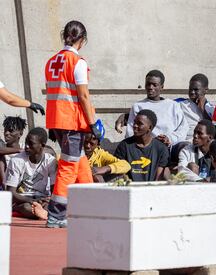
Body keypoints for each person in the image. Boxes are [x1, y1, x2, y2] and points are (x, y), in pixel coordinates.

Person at [45, 20, 103, 228]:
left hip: (57, 120)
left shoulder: (52, 61)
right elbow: (83, 96)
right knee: (69, 167)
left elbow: (53, 92)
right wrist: (93, 122)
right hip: (70, 121)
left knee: (80, 161)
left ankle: (89, 208)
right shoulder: (77, 62)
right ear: (83, 39)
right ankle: (56, 215)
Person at [124, 70, 189, 147]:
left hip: (169, 147)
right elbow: (130, 131)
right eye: (148, 84)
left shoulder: (173, 106)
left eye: (154, 85)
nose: (150, 87)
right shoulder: (138, 106)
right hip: (146, 147)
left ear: (162, 87)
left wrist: (169, 139)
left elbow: (183, 128)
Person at [5, 128, 56, 219]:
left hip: (41, 199)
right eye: (26, 142)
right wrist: (32, 200)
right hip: (22, 200)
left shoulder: (50, 161)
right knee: (26, 207)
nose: (27, 146)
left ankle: (42, 213)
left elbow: (54, 190)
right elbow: (11, 192)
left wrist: (48, 201)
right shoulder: (16, 161)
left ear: (42, 145)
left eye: (31, 144)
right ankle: (43, 214)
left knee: (51, 206)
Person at [115, 109, 169, 181]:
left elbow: (159, 177)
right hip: (130, 188)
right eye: (134, 122)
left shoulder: (161, 148)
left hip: (152, 189)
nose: (135, 126)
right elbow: (119, 171)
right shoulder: (124, 145)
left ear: (149, 127)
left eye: (139, 123)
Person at [176, 73, 215, 142]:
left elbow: (213, 130)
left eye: (196, 89)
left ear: (206, 90)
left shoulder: (212, 108)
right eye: (190, 89)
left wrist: (203, 110)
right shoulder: (180, 103)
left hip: (204, 142)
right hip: (184, 141)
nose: (192, 92)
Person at [0, 116, 27, 187]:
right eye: (5, 130)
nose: (6, 133)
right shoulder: (3, 152)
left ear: (20, 133)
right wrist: (19, 151)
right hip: (7, 188)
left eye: (11, 130)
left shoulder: (26, 148)